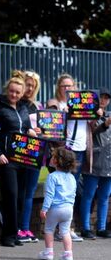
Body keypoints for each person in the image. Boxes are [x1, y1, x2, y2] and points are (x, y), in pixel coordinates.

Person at [0, 71, 38, 247]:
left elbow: (26, 127)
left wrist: (31, 131)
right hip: (6, 159)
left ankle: (14, 232)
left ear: (22, 92)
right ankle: (7, 235)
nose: (14, 95)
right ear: (7, 90)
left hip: (22, 158)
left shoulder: (24, 107)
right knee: (11, 195)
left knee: (20, 198)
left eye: (18, 92)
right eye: (12, 91)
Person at [46, 74, 88, 243]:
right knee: (60, 191)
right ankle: (62, 229)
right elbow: (50, 118)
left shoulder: (81, 104)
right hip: (64, 150)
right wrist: (61, 114)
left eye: (70, 86)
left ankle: (68, 228)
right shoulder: (55, 103)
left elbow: (92, 123)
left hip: (80, 149)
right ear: (59, 87)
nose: (67, 89)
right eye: (64, 86)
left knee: (74, 191)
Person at [80, 87, 111, 239]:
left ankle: (102, 227)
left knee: (105, 196)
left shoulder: (109, 115)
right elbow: (95, 130)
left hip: (109, 163)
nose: (104, 100)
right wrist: (105, 123)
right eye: (101, 97)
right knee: (89, 195)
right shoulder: (89, 115)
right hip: (94, 161)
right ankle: (85, 227)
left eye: (107, 98)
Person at [38, 147, 77, 260]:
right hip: (68, 208)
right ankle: (68, 254)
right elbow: (73, 194)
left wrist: (44, 209)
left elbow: (49, 195)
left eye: (53, 157)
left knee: (49, 229)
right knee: (65, 231)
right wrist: (70, 206)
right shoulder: (72, 177)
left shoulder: (52, 176)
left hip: (55, 208)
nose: (51, 158)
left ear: (57, 161)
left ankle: (49, 252)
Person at [17, 70, 43, 243]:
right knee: (19, 191)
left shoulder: (38, 106)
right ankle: (17, 227)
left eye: (33, 86)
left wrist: (42, 131)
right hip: (19, 153)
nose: (30, 88)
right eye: (28, 84)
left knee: (30, 192)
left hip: (36, 154)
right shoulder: (17, 104)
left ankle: (25, 228)